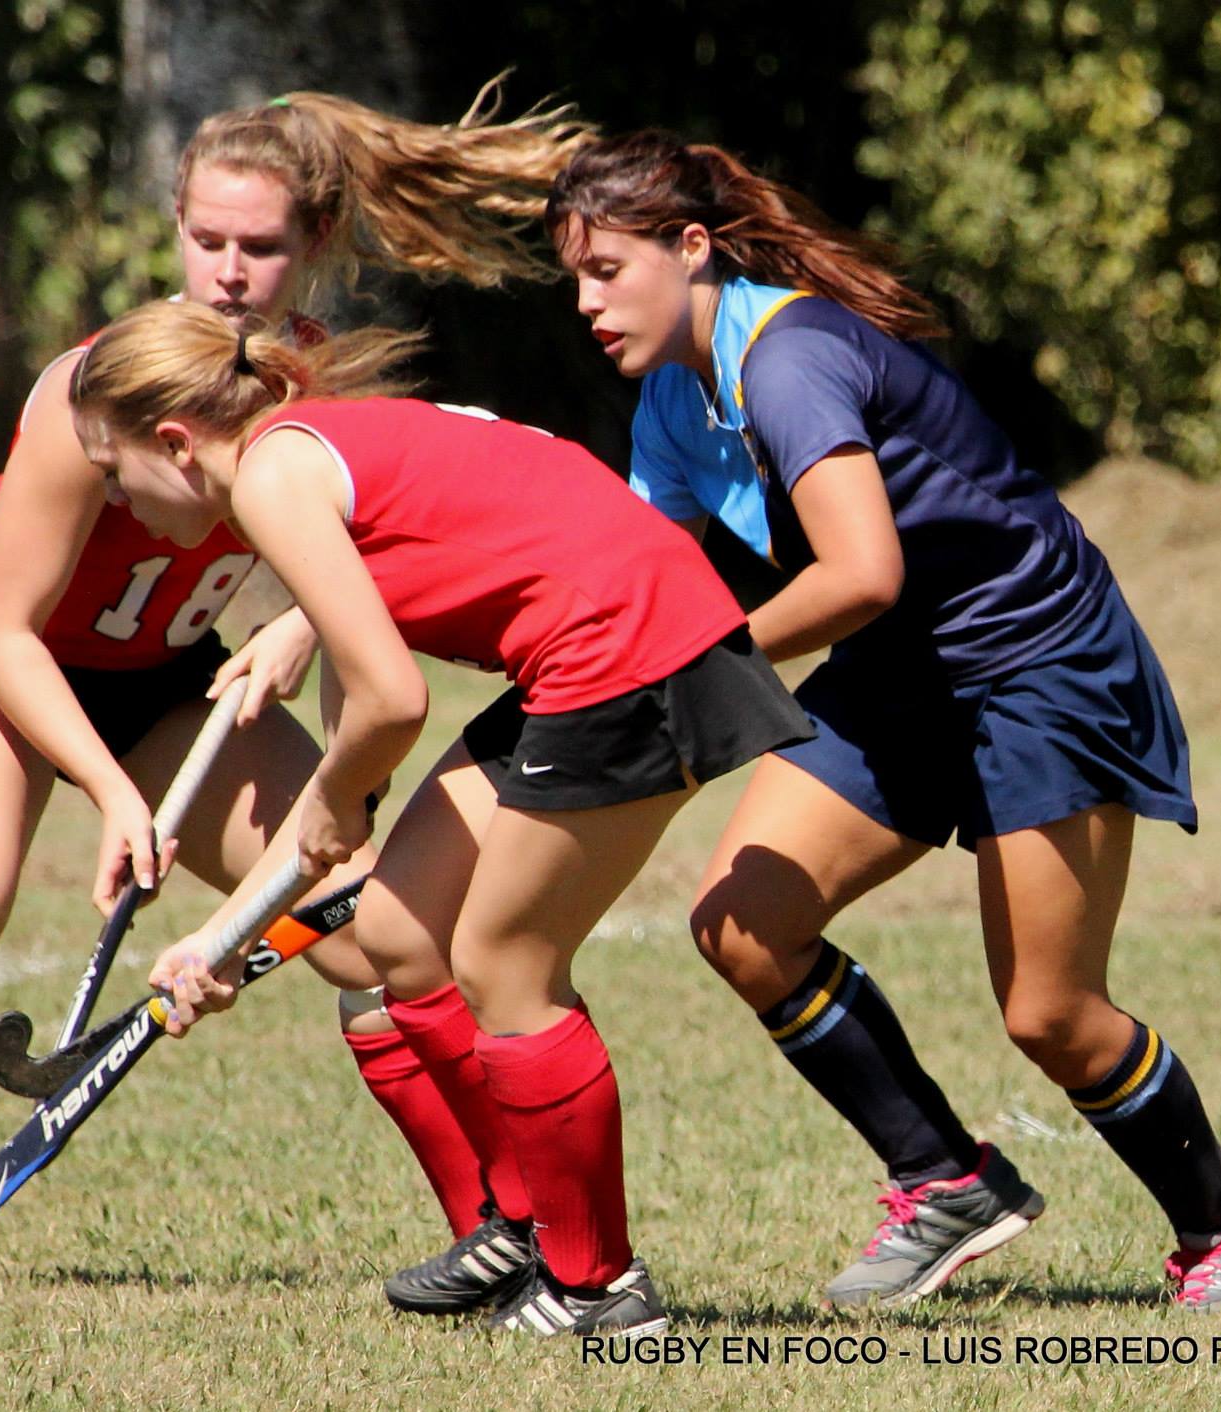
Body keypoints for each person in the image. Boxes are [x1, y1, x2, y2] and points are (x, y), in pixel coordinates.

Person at [0, 81, 594, 1298]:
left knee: (371, 924)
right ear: (173, 227)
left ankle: (508, 1235)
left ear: (316, 247)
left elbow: (352, 596)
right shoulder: (97, 388)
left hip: (170, 678)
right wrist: (112, 795)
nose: (230, 271)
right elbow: (8, 629)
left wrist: (294, 633)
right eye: (208, 240)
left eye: (263, 245)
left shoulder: (311, 386)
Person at [543, 131, 1221, 1312]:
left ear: (691, 248)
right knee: (746, 924)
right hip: (901, 672)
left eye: (608, 268)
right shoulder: (668, 403)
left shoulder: (787, 361)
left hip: (1036, 662)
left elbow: (860, 569)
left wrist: (709, 662)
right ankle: (946, 1179)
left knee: (1049, 1011)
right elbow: (628, 581)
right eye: (573, 277)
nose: (587, 301)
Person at [59, 299, 809, 1336]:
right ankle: (521, 1218)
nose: (117, 501)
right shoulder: (295, 450)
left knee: (504, 962)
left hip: (630, 649)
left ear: (176, 443)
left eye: (114, 470)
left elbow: (386, 702)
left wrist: (301, 836)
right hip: (601, 645)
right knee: (401, 934)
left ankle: (599, 1288)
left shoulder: (273, 476)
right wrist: (226, 932)